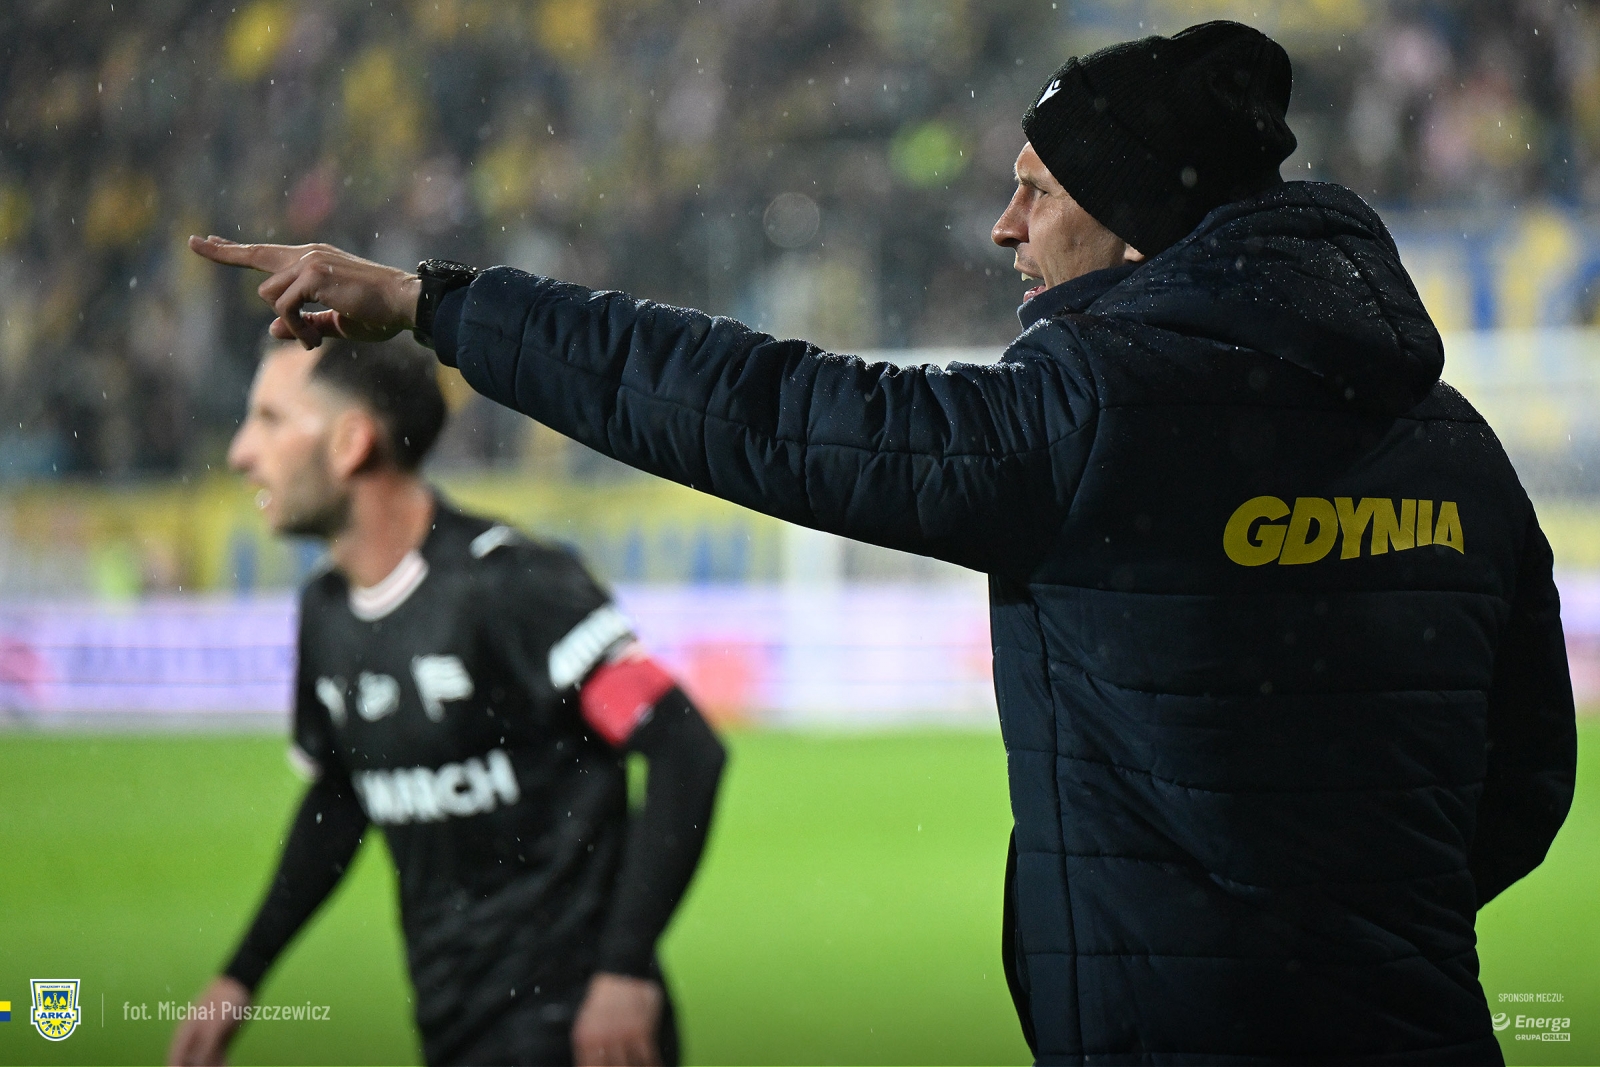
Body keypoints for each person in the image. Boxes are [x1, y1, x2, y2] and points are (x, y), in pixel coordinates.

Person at [190, 19, 1576, 1066]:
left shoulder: (1086, 417)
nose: (1003, 224)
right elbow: (1525, 778)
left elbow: (755, 407)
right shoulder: (1453, 443)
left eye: (1038, 190)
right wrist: (1343, 928)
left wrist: (440, 306)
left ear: (1134, 228)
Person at [166, 339, 726, 1067]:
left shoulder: (511, 585)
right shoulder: (327, 612)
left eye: (270, 420)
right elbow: (343, 792)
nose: (241, 452)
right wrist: (241, 975)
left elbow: (684, 747)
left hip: (576, 1029)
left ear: (351, 442)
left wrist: (623, 969)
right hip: (453, 1026)